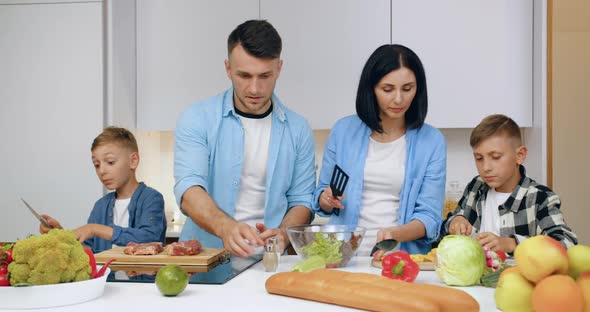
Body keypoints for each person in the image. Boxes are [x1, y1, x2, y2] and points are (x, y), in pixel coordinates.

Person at [174, 20, 316, 258]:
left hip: (269, 263)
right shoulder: (196, 118)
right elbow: (188, 190)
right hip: (206, 262)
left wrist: (283, 233)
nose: (254, 88)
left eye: (265, 76)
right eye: (244, 75)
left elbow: (301, 199)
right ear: (228, 68)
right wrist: (225, 228)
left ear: (279, 69)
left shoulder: (298, 129)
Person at [314, 44, 447, 258]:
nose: (398, 99)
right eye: (387, 89)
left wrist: (395, 235)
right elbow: (321, 195)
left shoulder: (432, 141)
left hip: (399, 257)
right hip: (342, 255)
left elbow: (430, 218)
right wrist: (326, 199)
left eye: (407, 88)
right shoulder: (343, 131)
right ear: (371, 89)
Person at [442, 114, 577, 252]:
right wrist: (455, 221)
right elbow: (445, 228)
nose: (486, 167)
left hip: (518, 273)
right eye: (479, 158)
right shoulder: (476, 187)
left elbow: (567, 243)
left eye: (495, 157)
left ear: (520, 155)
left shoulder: (540, 197)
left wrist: (513, 244)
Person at [40, 127, 167, 253]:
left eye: (110, 162)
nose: (102, 171)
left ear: (133, 161)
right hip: (107, 275)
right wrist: (61, 236)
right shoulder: (100, 206)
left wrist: (95, 228)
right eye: (97, 165)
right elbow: (87, 252)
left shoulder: (151, 198)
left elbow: (150, 238)